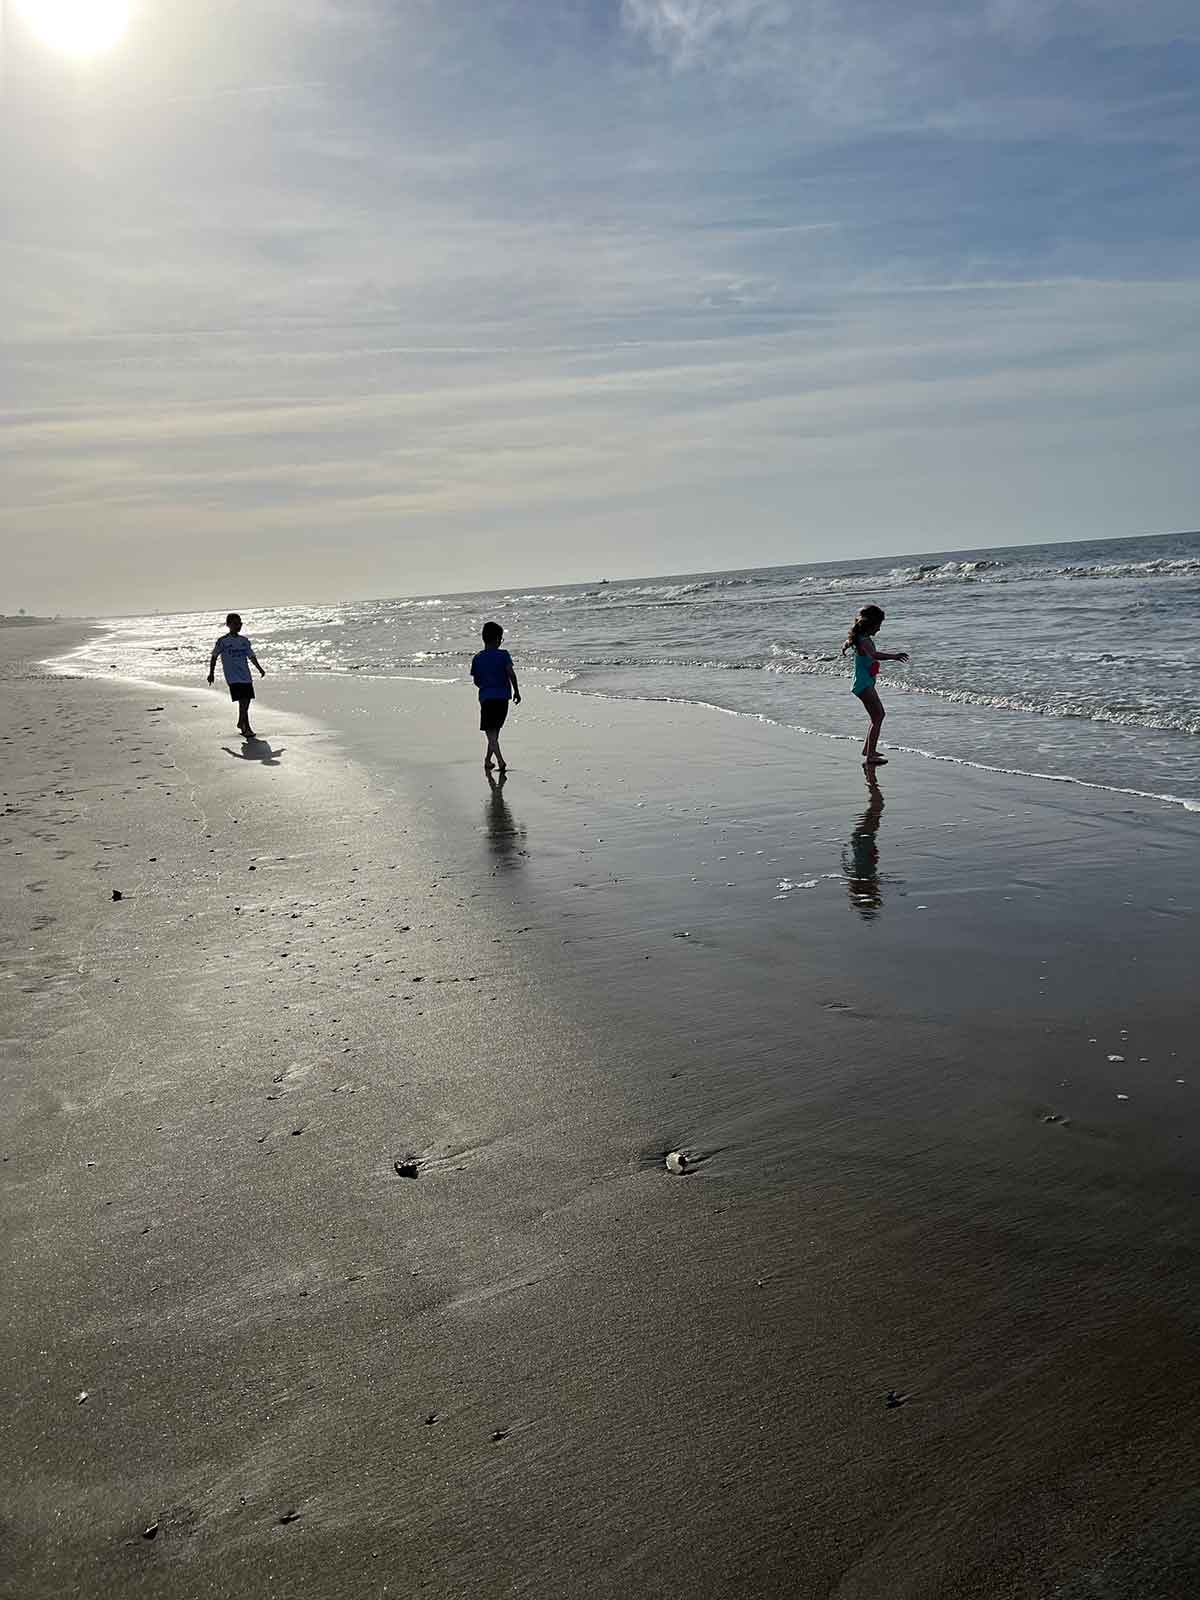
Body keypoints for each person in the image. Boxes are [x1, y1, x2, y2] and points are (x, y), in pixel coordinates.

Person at [842, 605, 908, 766]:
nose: (879, 629)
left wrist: (844, 648)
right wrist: (894, 656)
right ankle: (870, 755)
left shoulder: (859, 638)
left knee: (877, 716)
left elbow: (847, 643)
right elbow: (874, 655)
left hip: (864, 683)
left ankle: (868, 750)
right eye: (878, 625)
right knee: (878, 716)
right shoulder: (864, 641)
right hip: (864, 685)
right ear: (870, 624)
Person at [470, 621, 520, 773]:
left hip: (486, 698)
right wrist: (516, 691)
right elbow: (511, 674)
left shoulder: (477, 658)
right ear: (497, 639)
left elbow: (476, 680)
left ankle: (499, 760)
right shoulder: (503, 655)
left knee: (491, 734)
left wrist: (486, 687)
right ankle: (488, 760)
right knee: (495, 732)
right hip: (503, 698)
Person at [208, 613, 265, 739]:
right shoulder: (222, 641)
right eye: (235, 623)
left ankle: (240, 722)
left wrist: (260, 669)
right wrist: (211, 673)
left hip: (245, 675)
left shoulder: (244, 641)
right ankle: (246, 727)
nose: (238, 626)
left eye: (239, 623)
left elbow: (251, 656)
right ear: (228, 625)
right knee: (242, 701)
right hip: (232, 677)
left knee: (247, 700)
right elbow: (214, 656)